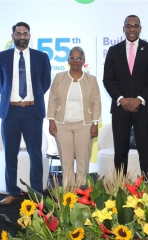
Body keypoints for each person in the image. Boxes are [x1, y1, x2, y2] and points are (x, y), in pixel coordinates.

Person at [0, 22, 51, 205]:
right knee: (10, 153)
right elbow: (0, 83)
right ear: (12, 36)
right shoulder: (2, 57)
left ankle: (36, 194)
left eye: (25, 33)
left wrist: (31, 101)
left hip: (33, 111)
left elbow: (45, 82)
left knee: (35, 154)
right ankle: (12, 191)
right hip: (10, 112)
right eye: (18, 33)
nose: (22, 36)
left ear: (29, 35)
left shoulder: (41, 57)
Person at [103, 15, 148, 179]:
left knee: (145, 150)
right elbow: (108, 79)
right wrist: (120, 99)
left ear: (140, 28)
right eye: (129, 26)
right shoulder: (114, 51)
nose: (132, 29)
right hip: (120, 109)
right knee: (120, 150)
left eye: (135, 26)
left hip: (143, 108)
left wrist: (139, 99)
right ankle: (119, 189)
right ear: (124, 28)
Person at [47, 46, 101, 187]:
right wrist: (51, 121)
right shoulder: (59, 77)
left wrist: (95, 123)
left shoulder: (91, 79)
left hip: (84, 125)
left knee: (83, 159)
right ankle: (67, 193)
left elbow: (96, 102)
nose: (75, 60)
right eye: (72, 57)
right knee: (66, 160)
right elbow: (52, 99)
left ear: (84, 60)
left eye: (79, 58)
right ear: (68, 60)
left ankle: (82, 191)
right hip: (61, 125)